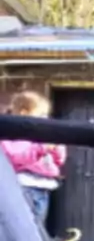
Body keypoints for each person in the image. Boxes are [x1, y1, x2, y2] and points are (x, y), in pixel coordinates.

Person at [1, 91, 65, 227]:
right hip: (25, 186)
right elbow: (16, 158)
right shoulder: (12, 134)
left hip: (44, 186)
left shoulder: (42, 134)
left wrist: (56, 148)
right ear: (24, 114)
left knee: (38, 227)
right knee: (26, 226)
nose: (45, 119)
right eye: (41, 115)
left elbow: (58, 161)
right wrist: (41, 148)